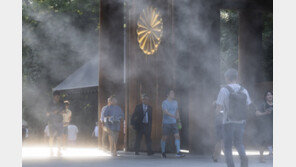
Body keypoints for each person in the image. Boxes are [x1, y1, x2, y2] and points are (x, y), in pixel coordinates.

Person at [216, 68, 253, 167]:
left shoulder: (224, 90)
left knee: (227, 147)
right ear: (237, 77)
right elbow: (248, 106)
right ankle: (244, 160)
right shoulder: (243, 90)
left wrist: (218, 113)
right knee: (239, 143)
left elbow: (218, 107)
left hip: (228, 122)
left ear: (226, 78)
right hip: (241, 122)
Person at [160, 90, 185, 158]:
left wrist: (179, 120)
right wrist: (173, 116)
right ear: (168, 94)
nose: (173, 94)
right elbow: (165, 112)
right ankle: (163, 152)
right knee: (164, 137)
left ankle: (178, 152)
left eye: (174, 93)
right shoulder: (164, 102)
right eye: (172, 93)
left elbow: (177, 111)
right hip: (166, 122)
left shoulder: (175, 102)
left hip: (174, 122)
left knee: (177, 136)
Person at [255, 91, 273, 163]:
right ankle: (261, 158)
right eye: (268, 95)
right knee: (263, 142)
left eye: (271, 94)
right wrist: (264, 113)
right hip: (265, 127)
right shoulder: (263, 105)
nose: (270, 96)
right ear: (266, 97)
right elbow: (256, 113)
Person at [46, 91, 64, 156]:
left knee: (59, 136)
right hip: (51, 122)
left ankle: (59, 150)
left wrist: (57, 112)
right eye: (57, 97)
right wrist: (53, 112)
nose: (58, 98)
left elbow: (63, 111)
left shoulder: (61, 103)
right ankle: (51, 150)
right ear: (54, 97)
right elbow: (47, 113)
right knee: (51, 136)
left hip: (59, 121)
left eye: (59, 97)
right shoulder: (50, 104)